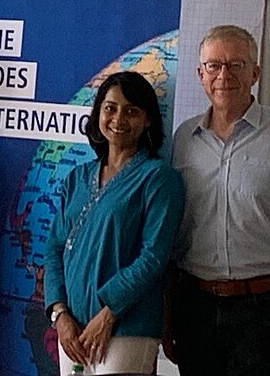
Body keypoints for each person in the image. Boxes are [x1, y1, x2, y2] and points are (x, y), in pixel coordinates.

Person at [43, 71, 184, 375]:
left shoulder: (158, 179)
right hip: (73, 331)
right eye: (110, 108)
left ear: (148, 120)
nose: (119, 118)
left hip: (127, 329)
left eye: (132, 111)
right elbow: (54, 248)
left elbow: (153, 257)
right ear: (98, 114)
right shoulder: (77, 178)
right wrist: (60, 314)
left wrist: (108, 314)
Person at [166, 25, 270, 376]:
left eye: (236, 65)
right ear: (201, 74)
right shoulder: (183, 139)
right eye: (214, 65)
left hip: (262, 306)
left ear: (255, 73)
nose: (223, 75)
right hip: (194, 305)